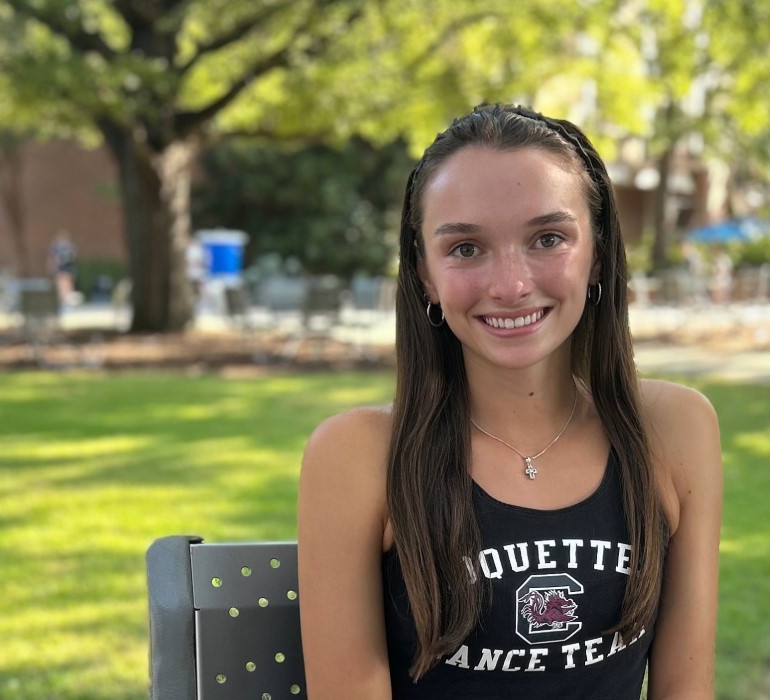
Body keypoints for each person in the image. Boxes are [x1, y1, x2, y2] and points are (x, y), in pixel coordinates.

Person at [298, 105, 722, 699]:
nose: (511, 284)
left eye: (548, 238)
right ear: (425, 275)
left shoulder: (675, 429)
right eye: (466, 248)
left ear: (597, 253)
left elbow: (684, 688)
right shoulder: (356, 456)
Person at [47, 230, 78, 304]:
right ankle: (66, 299)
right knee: (66, 283)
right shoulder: (70, 247)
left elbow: (51, 259)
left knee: (64, 284)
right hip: (66, 268)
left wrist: (50, 267)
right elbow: (74, 258)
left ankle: (64, 299)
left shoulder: (58, 247)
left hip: (63, 268)